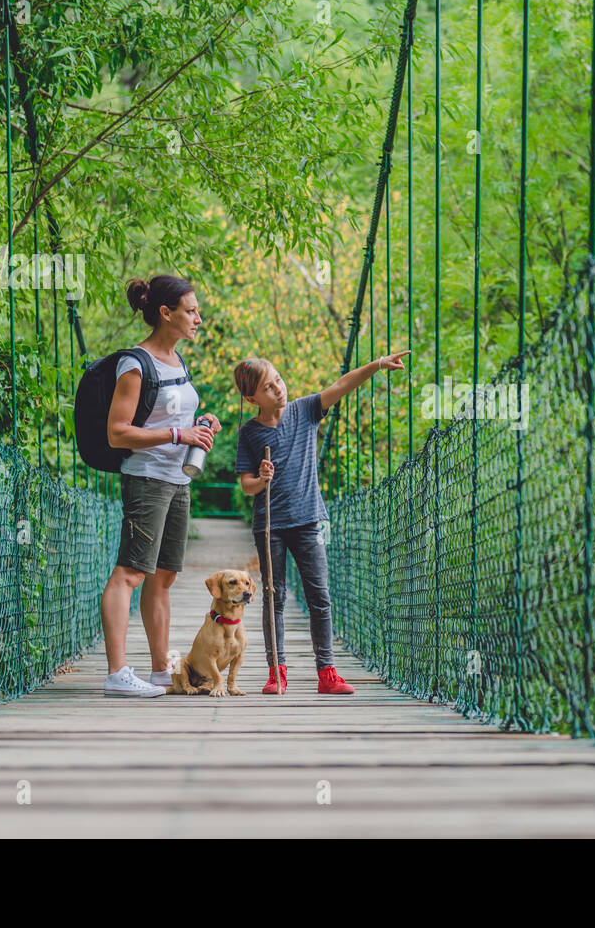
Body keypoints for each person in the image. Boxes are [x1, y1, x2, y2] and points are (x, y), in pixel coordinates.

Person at [233, 350, 409, 694]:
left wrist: (375, 365)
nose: (279, 390)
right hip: (270, 525)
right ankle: (277, 672)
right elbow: (246, 485)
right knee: (274, 596)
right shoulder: (249, 433)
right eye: (269, 388)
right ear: (252, 398)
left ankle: (327, 672)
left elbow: (342, 384)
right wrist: (262, 479)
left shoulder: (305, 410)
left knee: (320, 596)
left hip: (308, 519)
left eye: (279, 381)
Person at [100, 275, 221, 698]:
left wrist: (199, 425)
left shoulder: (178, 362)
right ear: (166, 313)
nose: (198, 319)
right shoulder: (136, 364)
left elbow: (171, 418)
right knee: (130, 574)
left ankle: (157, 670)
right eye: (191, 311)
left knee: (164, 577)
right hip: (147, 478)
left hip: (177, 480)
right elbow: (118, 433)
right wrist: (178, 436)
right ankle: (118, 674)